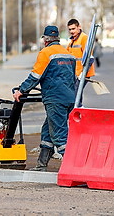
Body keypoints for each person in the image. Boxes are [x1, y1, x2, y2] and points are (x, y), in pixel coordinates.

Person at [13, 25, 76, 172]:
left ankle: (72, 168)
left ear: (45, 40)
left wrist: (21, 90)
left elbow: (36, 76)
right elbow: (74, 78)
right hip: (69, 98)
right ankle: (41, 165)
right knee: (48, 131)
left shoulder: (46, 53)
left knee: (59, 135)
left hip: (55, 99)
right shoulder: (68, 54)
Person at [66, 18, 95, 106]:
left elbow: (90, 57)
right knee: (76, 96)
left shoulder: (84, 38)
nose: (71, 31)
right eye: (70, 29)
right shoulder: (72, 41)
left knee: (75, 96)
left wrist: (83, 73)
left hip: (83, 74)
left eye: (73, 29)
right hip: (75, 74)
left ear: (79, 27)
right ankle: (79, 113)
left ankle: (79, 113)